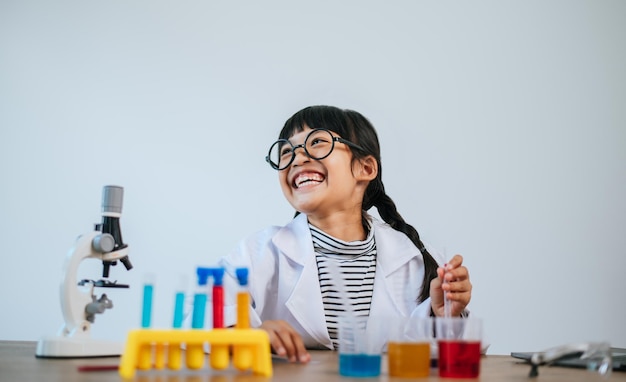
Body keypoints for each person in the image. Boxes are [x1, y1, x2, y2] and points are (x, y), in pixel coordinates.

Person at [218, 105, 472, 363]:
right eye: (286, 151)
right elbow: (201, 314)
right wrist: (251, 335)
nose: (297, 157)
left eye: (316, 141)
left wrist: (445, 315)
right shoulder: (257, 253)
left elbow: (442, 358)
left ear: (366, 168)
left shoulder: (417, 258)